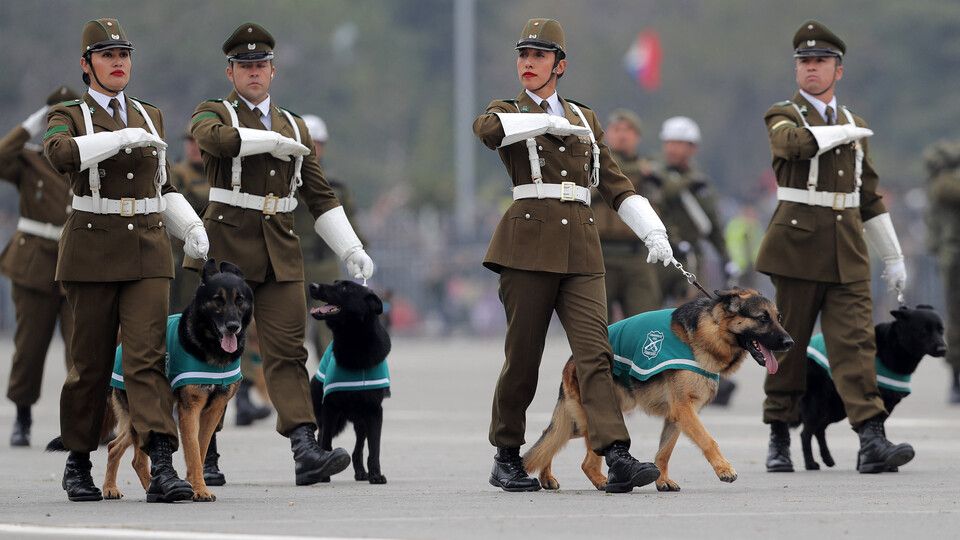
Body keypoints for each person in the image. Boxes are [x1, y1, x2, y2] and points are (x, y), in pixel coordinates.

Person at [473, 18, 673, 493]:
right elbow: (487, 130)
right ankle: (506, 454)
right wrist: (544, 119)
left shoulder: (584, 118)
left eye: (539, 56)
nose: (528, 63)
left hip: (581, 247)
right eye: (523, 55)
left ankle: (616, 453)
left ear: (559, 65)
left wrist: (652, 230)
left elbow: (615, 181)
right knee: (523, 356)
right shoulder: (508, 110)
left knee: (596, 354)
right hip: (527, 244)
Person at [187, 22, 374, 486]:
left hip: (280, 250)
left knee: (289, 351)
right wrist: (267, 142)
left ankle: (304, 446)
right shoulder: (215, 112)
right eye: (245, 66)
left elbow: (320, 195)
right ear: (230, 72)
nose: (254, 73)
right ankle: (205, 452)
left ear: (274, 70)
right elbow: (213, 141)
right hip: (226, 246)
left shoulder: (295, 126)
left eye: (261, 65)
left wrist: (350, 246)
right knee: (213, 351)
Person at [44, 18, 209, 502]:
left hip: (147, 251)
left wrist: (192, 227)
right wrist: (117, 139)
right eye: (106, 55)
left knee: (147, 360)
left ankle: (161, 462)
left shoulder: (149, 114)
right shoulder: (69, 114)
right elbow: (59, 154)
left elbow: (163, 187)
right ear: (86, 65)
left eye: (124, 55)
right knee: (90, 364)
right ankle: (78, 461)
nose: (118, 63)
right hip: (91, 249)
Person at [757, 20, 914, 474]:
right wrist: (841, 134)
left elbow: (869, 196)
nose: (811, 68)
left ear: (837, 71)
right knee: (786, 345)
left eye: (821, 62)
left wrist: (894, 256)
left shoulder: (855, 125)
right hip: (795, 250)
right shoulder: (783, 114)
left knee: (856, 346)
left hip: (847, 252)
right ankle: (779, 436)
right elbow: (793, 146)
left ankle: (871, 439)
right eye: (804, 62)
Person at [1, 85, 79, 447]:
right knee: (30, 346)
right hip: (34, 262)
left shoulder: (82, 155)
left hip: (78, 262)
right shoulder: (29, 159)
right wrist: (30, 125)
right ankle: (22, 416)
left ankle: (83, 420)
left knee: (83, 348)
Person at [293, 114, 361, 358]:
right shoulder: (285, 181)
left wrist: (358, 251)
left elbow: (350, 225)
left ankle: (328, 379)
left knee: (329, 326)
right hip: (292, 262)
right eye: (310, 142)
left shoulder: (336, 188)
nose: (314, 148)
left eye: (318, 143)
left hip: (324, 264)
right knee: (290, 329)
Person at [649, 116, 735, 304]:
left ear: (692, 148)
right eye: (669, 142)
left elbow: (712, 223)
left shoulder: (700, 181)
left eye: (679, 143)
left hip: (692, 255)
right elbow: (667, 193)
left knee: (694, 312)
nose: (672, 148)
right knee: (650, 313)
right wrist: (688, 183)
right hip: (657, 255)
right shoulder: (653, 173)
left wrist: (725, 258)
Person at [594, 109, 662, 320]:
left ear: (637, 137)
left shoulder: (653, 169)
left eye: (628, 130)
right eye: (616, 129)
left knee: (644, 320)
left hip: (637, 255)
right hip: (600, 254)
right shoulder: (594, 164)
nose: (622, 135)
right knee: (596, 324)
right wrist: (638, 172)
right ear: (606, 134)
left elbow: (667, 189)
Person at [923, 140, 960, 403]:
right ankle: (957, 376)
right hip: (954, 256)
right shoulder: (944, 183)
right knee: (956, 318)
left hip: (950, 256)